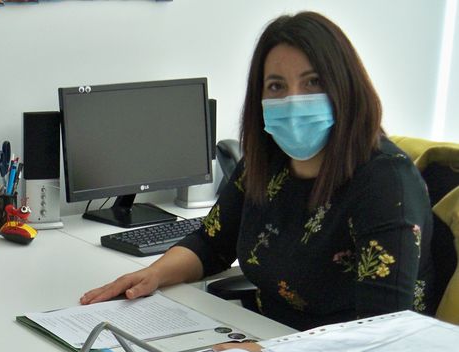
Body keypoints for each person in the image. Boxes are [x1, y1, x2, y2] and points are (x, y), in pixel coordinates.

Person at [82, 11, 434, 333]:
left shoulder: (385, 182)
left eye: (312, 82)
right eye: (277, 86)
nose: (293, 100)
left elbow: (383, 328)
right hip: (266, 339)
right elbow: (211, 244)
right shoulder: (268, 161)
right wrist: (151, 275)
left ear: (345, 86)